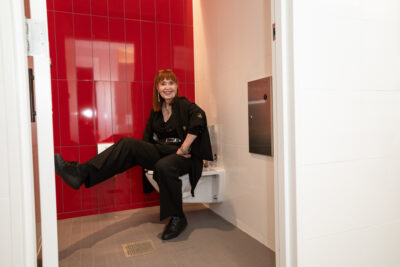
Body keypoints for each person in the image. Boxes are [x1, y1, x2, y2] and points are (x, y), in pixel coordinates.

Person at [54, 69, 213, 240]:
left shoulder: (182, 104)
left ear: (177, 86)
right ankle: (80, 173)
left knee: (164, 166)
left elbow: (199, 118)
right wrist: (133, 152)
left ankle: (178, 217)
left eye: (171, 83)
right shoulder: (156, 112)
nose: (168, 87)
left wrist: (184, 148)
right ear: (157, 89)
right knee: (127, 144)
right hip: (163, 151)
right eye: (163, 83)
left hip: (183, 157)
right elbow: (146, 140)